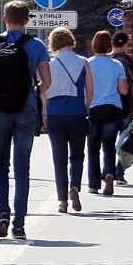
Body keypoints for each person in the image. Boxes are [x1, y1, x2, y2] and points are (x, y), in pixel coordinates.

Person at [0, 0, 52, 239]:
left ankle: (3, 214)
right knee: (22, 168)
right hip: (26, 110)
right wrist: (31, 93)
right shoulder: (36, 45)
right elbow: (47, 81)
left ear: (4, 19)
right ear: (27, 21)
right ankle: (19, 224)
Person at [42, 27, 93, 214]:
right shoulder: (83, 62)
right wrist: (84, 107)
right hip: (77, 114)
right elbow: (90, 91)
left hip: (55, 114)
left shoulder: (49, 64)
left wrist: (45, 115)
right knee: (78, 155)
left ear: (53, 44)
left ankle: (62, 200)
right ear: (71, 41)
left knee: (59, 158)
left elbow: (44, 93)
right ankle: (75, 188)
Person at [86, 31, 129, 196]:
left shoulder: (87, 64)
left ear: (93, 45)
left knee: (93, 148)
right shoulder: (117, 65)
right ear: (109, 46)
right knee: (109, 145)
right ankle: (110, 174)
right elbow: (124, 90)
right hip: (112, 109)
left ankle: (93, 184)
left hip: (93, 109)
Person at [110, 31, 133, 183]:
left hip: (109, 104)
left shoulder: (107, 59)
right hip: (126, 104)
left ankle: (107, 171)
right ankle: (119, 172)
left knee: (108, 139)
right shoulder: (128, 61)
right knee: (124, 140)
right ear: (125, 44)